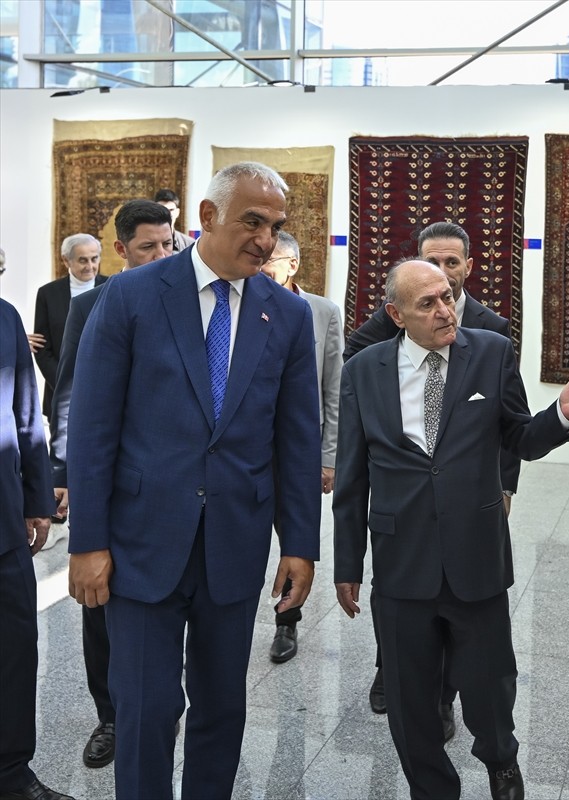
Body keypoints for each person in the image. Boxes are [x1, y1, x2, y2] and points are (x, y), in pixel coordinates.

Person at [67, 162, 322, 800]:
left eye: (276, 226)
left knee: (221, 711)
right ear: (207, 218)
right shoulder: (130, 296)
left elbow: (296, 438)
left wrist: (300, 543)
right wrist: (87, 543)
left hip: (233, 545)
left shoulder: (285, 316)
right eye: (252, 222)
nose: (266, 240)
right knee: (147, 712)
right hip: (141, 545)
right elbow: (95, 428)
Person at [333, 259, 569, 800]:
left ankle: (501, 762)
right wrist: (347, 564)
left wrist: (561, 416)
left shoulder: (490, 352)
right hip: (402, 562)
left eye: (447, 296)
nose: (446, 310)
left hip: (476, 555)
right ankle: (432, 786)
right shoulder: (364, 369)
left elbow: (521, 438)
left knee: (490, 686)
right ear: (396, 315)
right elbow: (352, 474)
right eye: (428, 304)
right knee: (408, 697)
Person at [344, 222, 521, 729]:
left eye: (451, 269)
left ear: (468, 267)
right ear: (397, 313)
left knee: (478, 648)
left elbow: (510, 424)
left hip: (472, 508)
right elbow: (356, 472)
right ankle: (410, 685)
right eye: (431, 267)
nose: (442, 290)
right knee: (410, 630)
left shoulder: (491, 336)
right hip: (407, 524)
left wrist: (504, 484)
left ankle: (487, 741)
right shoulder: (380, 347)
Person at [47, 199, 174, 770]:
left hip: (169, 488)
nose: (161, 255)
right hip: (108, 481)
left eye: (169, 245)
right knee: (99, 606)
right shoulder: (95, 303)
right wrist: (68, 474)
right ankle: (111, 715)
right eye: (149, 247)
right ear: (121, 250)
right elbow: (71, 393)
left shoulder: (187, 302)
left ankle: (160, 708)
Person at [0, 296, 74, 800]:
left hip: (3, 527)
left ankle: (11, 773)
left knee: (14, 651)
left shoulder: (4, 317)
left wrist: (36, 500)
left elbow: (27, 413)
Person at [259, 230, 343, 663]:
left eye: (270, 259)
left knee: (297, 538)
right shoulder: (243, 301)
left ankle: (286, 623)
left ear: (292, 264)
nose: (260, 264)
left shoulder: (322, 312)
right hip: (250, 447)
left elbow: (334, 388)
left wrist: (328, 457)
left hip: (300, 449)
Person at [32, 233, 106, 421]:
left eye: (94, 259)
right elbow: (42, 348)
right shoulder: (48, 294)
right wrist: (65, 385)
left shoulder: (111, 287)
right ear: (66, 260)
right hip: (61, 393)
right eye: (82, 260)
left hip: (104, 390)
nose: (90, 266)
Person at [154, 188, 192, 253]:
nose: (167, 214)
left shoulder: (189, 245)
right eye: (163, 210)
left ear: (177, 212)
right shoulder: (145, 242)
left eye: (171, 210)